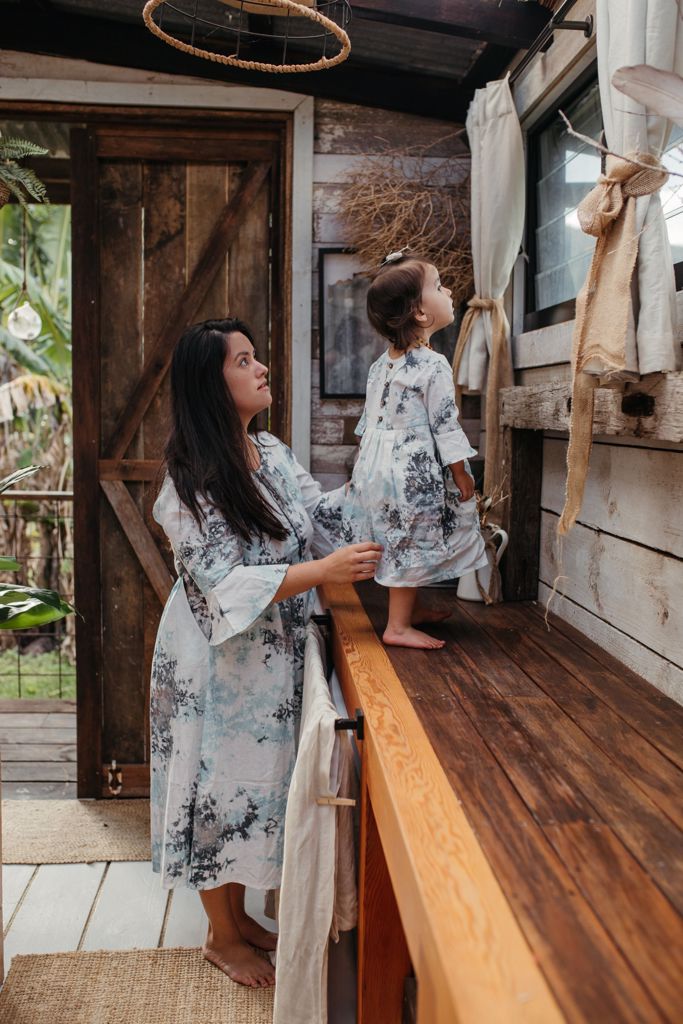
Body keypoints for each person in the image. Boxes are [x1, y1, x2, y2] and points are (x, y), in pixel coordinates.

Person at [150, 318, 382, 989]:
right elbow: (222, 583)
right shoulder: (187, 481)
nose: (260, 369)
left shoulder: (271, 453)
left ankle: (242, 917)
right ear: (209, 383)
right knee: (209, 789)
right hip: (211, 663)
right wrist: (326, 572)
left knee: (250, 786)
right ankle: (222, 937)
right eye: (243, 360)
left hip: (267, 658)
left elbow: (321, 519)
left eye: (256, 356)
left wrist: (377, 466)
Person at [342, 252, 488, 650]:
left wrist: (364, 473)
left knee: (398, 535)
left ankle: (413, 608)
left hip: (377, 465)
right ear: (421, 314)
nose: (449, 290)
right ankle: (398, 626)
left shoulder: (379, 366)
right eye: (440, 286)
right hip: (412, 469)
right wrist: (461, 473)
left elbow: (368, 423)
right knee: (412, 536)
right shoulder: (433, 364)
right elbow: (444, 423)